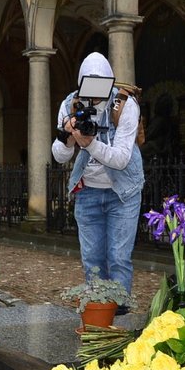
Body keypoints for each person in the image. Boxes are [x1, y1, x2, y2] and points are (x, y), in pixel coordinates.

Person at [52, 52, 144, 301]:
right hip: (88, 190)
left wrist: (89, 144)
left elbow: (122, 158)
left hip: (123, 192)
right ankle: (98, 311)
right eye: (88, 88)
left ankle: (121, 313)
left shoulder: (125, 104)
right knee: (92, 258)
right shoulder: (71, 104)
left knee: (118, 258)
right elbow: (59, 156)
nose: (93, 96)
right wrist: (69, 138)